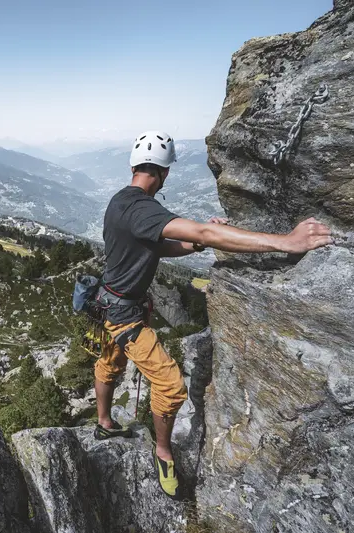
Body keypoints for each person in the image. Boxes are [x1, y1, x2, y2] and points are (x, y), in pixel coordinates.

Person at [94, 130, 333, 499]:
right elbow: (204, 230)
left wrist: (197, 242)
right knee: (170, 388)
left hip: (110, 303)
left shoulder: (120, 201)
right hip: (123, 314)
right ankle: (162, 451)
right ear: (165, 173)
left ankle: (104, 423)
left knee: (109, 364)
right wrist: (286, 241)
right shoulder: (142, 208)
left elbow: (157, 247)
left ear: (134, 166)